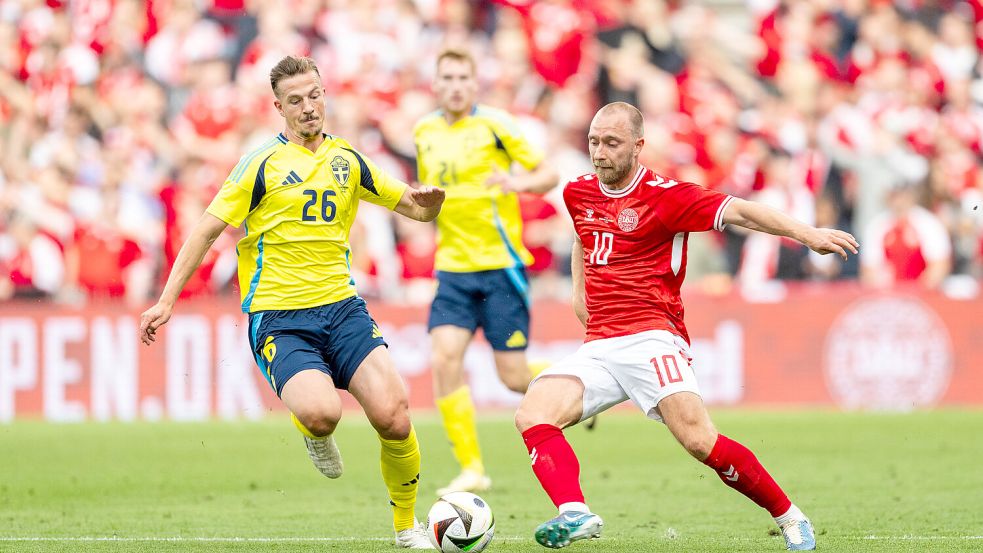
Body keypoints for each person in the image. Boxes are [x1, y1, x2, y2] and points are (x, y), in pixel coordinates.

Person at [513, 103, 859, 551]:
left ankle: (790, 517)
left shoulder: (668, 196)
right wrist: (580, 296)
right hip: (600, 344)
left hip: (653, 336)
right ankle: (575, 512)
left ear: (638, 147)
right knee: (533, 414)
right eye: (594, 141)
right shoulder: (578, 191)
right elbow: (583, 235)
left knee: (699, 441)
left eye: (612, 143)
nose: (599, 152)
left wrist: (809, 235)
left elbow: (745, 213)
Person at [139, 55, 444, 549]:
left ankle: (407, 528)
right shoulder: (259, 164)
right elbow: (206, 229)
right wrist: (166, 300)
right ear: (278, 107)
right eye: (296, 100)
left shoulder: (349, 159)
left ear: (325, 95)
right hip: (280, 318)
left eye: (315, 95)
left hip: (343, 309)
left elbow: (412, 206)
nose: (308, 107)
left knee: (395, 416)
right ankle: (315, 432)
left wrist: (429, 205)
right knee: (323, 414)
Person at [412, 48, 559, 495]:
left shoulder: (497, 125)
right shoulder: (424, 132)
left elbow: (548, 174)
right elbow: (432, 197)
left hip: (501, 267)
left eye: (462, 77)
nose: (455, 85)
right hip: (453, 269)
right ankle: (472, 468)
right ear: (435, 85)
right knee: (443, 359)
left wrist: (518, 183)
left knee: (513, 378)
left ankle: (576, 382)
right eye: (447, 77)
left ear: (474, 83)